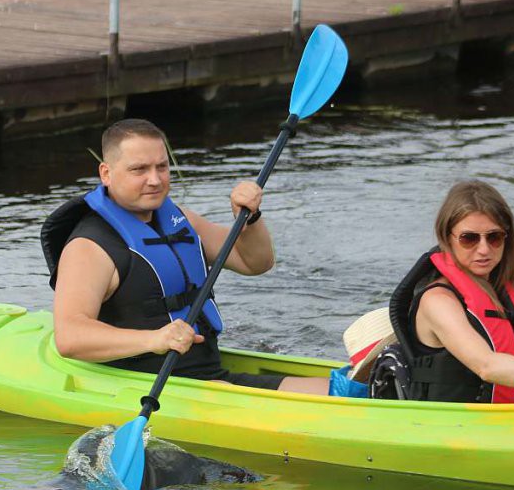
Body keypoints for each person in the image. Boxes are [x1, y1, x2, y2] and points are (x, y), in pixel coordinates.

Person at [40, 118, 328, 395]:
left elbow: (255, 263)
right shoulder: (89, 246)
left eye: (162, 167)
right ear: (106, 173)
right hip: (153, 385)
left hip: (208, 374)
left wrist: (250, 219)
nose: (154, 179)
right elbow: (70, 336)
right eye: (139, 169)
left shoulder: (178, 221)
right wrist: (155, 338)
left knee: (345, 389)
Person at [389, 180, 514, 403]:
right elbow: (486, 365)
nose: (484, 249)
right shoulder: (438, 301)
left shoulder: (505, 290)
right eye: (469, 238)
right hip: (460, 422)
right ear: (446, 237)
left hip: (511, 414)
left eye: (494, 237)